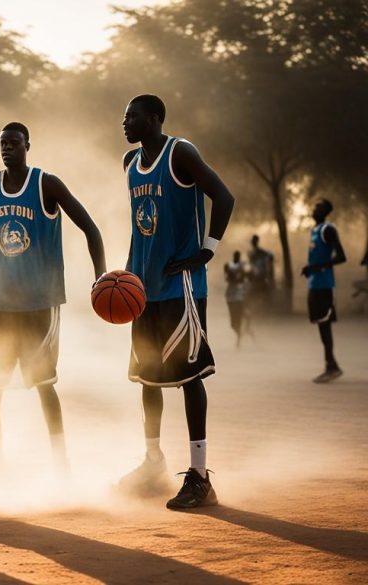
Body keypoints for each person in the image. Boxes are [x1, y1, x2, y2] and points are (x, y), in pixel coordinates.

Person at [117, 95, 234, 509]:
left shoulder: (179, 152)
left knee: (189, 376)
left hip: (180, 287)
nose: (125, 122)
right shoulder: (130, 164)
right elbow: (141, 221)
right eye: (124, 116)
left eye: (131, 116)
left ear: (154, 118)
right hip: (143, 289)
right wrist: (127, 272)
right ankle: (153, 464)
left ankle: (200, 476)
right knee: (148, 379)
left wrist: (206, 251)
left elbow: (224, 197)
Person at [0, 122, 106, 470]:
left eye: (14, 143)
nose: (7, 148)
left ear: (27, 146)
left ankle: (61, 464)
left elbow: (90, 228)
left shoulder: (46, 184)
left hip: (39, 305)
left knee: (44, 385)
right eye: (2, 143)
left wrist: (101, 277)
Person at [301, 199, 346, 383]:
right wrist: (309, 268)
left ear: (326, 211)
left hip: (325, 286)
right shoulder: (315, 231)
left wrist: (317, 267)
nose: (314, 209)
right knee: (320, 325)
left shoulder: (328, 229)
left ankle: (331, 367)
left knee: (325, 326)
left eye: (318, 207)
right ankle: (332, 365)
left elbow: (341, 256)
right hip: (314, 285)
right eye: (314, 206)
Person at [223, 251, 248, 347]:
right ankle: (240, 334)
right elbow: (227, 278)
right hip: (231, 296)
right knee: (233, 322)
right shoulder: (228, 265)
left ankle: (239, 340)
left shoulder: (241, 267)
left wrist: (234, 276)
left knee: (239, 318)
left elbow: (242, 279)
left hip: (239, 296)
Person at [247, 234, 274, 312]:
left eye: (254, 240)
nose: (253, 242)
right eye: (252, 241)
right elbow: (251, 265)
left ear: (256, 241)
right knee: (251, 296)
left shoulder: (262, 252)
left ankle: (265, 311)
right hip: (254, 277)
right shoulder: (251, 253)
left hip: (261, 277)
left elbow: (270, 258)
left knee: (264, 296)